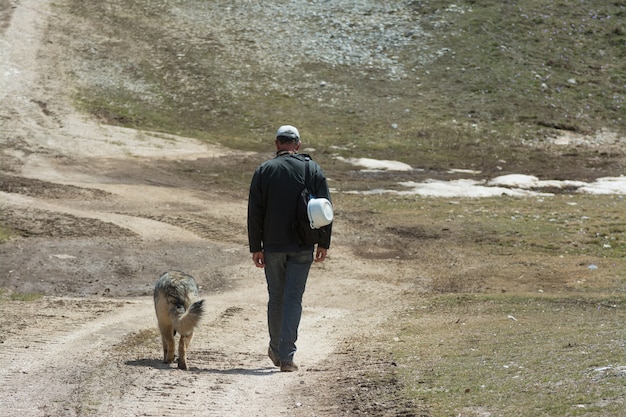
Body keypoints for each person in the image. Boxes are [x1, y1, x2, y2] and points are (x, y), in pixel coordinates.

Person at [247, 125, 332, 372]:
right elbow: (325, 208)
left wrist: (256, 247)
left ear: (277, 144)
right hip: (303, 245)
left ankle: (275, 348)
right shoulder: (312, 168)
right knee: (293, 299)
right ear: (298, 144)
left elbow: (255, 213)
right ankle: (287, 356)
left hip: (272, 247)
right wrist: (323, 243)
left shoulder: (264, 170)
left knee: (277, 298)